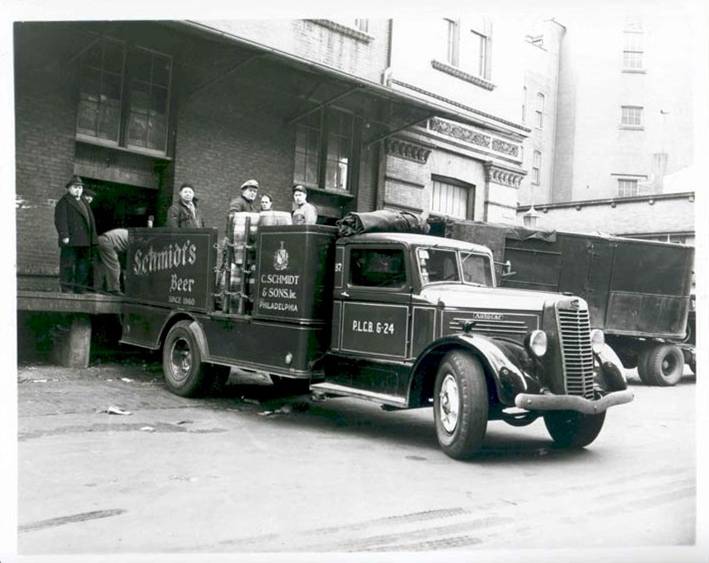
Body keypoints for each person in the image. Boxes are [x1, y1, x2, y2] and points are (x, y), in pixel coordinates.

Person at [54, 175, 98, 293]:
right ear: (69, 188)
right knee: (68, 264)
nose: (78, 190)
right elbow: (60, 220)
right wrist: (64, 235)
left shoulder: (84, 201)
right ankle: (67, 288)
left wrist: (93, 238)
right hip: (71, 239)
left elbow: (90, 220)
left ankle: (80, 288)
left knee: (83, 265)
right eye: (75, 187)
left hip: (85, 239)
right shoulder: (64, 202)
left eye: (80, 188)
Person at [96, 228, 129, 295]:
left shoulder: (129, 235)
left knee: (102, 267)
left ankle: (100, 288)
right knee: (114, 266)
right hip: (106, 241)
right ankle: (114, 289)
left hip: (101, 239)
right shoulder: (134, 239)